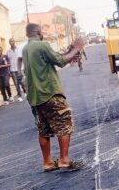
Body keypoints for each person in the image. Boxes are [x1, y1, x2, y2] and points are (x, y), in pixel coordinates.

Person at [21, 23, 85, 172]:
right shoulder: (42, 45)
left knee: (44, 130)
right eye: (41, 30)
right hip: (49, 92)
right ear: (37, 31)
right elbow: (61, 61)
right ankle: (64, 160)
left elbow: (55, 58)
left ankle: (48, 162)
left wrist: (70, 50)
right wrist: (77, 48)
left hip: (35, 97)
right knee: (64, 122)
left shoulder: (26, 49)